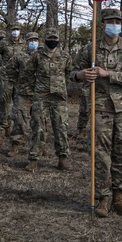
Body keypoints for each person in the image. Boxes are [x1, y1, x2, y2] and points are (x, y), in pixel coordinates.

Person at [73, 7, 122, 218]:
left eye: (118, 22)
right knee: (100, 155)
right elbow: (72, 72)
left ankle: (118, 197)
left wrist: (108, 74)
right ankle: (102, 198)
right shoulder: (90, 49)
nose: (115, 25)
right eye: (111, 21)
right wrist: (80, 75)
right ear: (102, 24)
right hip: (100, 107)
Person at [27, 27, 74, 172]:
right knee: (39, 128)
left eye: (55, 38)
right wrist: (34, 90)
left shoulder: (65, 56)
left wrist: (62, 87)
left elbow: (69, 74)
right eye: (50, 38)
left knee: (61, 128)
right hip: (41, 97)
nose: (52, 40)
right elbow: (29, 74)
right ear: (45, 39)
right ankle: (33, 159)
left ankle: (63, 158)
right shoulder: (37, 55)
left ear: (58, 39)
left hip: (59, 98)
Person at [7, 31, 40, 157]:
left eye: (35, 40)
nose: (33, 42)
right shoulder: (19, 56)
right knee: (19, 120)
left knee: (39, 122)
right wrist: (17, 81)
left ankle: (38, 147)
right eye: (31, 40)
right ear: (26, 42)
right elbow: (9, 69)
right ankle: (15, 145)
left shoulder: (43, 55)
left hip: (40, 93)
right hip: (23, 93)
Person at [0, 23, 27, 147]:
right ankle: (1, 132)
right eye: (13, 29)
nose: (15, 32)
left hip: (20, 80)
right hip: (6, 79)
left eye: (17, 29)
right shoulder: (3, 43)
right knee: (4, 106)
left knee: (18, 108)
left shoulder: (25, 44)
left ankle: (16, 135)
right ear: (9, 31)